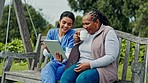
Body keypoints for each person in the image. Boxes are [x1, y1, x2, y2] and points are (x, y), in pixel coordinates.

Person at [60, 9, 119, 83]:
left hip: (101, 69)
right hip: (81, 64)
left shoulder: (108, 32)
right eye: (83, 24)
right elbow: (78, 52)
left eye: (87, 24)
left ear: (97, 22)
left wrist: (90, 65)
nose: (84, 27)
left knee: (82, 79)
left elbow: (111, 56)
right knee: (65, 78)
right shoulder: (86, 33)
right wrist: (76, 42)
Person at [41, 11, 76, 83]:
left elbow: (68, 55)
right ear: (59, 21)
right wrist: (47, 50)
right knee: (49, 69)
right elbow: (45, 54)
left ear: (72, 25)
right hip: (54, 64)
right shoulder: (51, 32)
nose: (66, 26)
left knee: (48, 71)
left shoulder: (72, 34)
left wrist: (61, 60)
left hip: (66, 65)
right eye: (64, 22)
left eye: (69, 24)